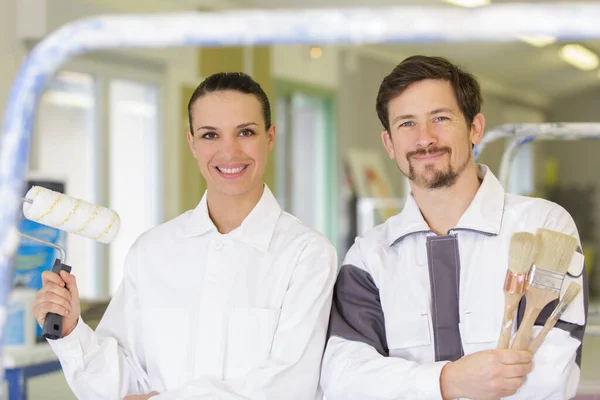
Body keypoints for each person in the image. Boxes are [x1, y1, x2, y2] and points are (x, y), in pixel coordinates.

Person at [33, 72, 337, 400]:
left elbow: (288, 387)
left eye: (246, 132)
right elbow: (124, 385)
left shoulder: (307, 255)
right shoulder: (151, 251)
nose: (229, 152)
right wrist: (71, 332)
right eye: (210, 135)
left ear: (270, 137)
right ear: (192, 142)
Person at [320, 55, 588, 400]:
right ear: (389, 144)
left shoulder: (543, 226)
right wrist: (446, 381)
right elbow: (344, 378)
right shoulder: (369, 257)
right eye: (406, 124)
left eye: (441, 118)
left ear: (475, 128)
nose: (425, 138)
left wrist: (402, 384)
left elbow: (552, 373)